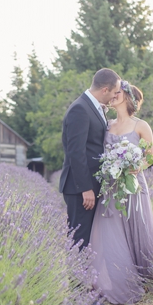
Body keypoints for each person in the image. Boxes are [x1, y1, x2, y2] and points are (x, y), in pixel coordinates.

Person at [90, 81, 153, 305]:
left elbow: (151, 156)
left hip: (133, 186)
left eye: (117, 92)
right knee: (111, 235)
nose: (113, 95)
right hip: (111, 188)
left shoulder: (141, 125)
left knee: (138, 229)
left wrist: (137, 166)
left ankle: (144, 279)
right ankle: (119, 283)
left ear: (127, 97)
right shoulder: (107, 125)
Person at [59, 68, 122, 249]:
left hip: (91, 185)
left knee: (88, 240)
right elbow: (75, 152)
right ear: (105, 90)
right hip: (80, 188)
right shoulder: (80, 108)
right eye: (114, 92)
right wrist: (86, 188)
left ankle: (83, 269)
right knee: (79, 239)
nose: (115, 96)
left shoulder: (94, 107)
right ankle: (75, 269)